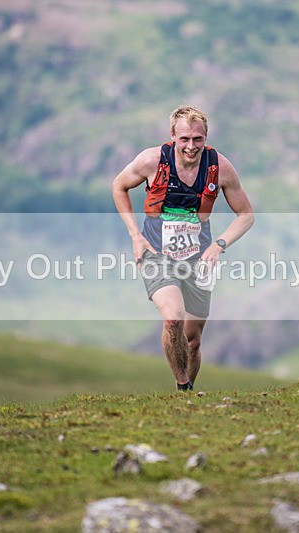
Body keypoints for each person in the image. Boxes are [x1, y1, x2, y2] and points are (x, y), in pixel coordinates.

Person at [112, 105, 254, 391]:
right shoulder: (151, 160)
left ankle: (185, 402)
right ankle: (183, 386)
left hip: (200, 258)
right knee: (173, 318)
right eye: (184, 139)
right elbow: (119, 186)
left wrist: (219, 245)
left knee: (193, 339)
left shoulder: (220, 168)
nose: (191, 146)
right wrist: (135, 236)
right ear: (172, 136)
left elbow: (247, 215)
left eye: (197, 139)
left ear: (206, 137)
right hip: (156, 253)